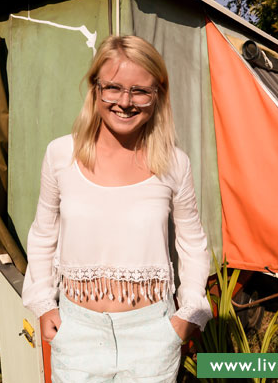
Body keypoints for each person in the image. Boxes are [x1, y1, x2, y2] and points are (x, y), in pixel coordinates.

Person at [22, 35, 212, 382]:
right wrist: (44, 303)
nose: (125, 102)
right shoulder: (61, 155)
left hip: (153, 334)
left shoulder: (174, 163)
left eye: (140, 90)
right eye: (113, 88)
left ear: (157, 95)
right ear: (95, 89)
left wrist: (189, 313)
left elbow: (192, 241)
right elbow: (43, 233)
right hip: (77, 331)